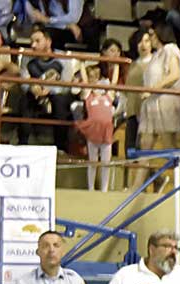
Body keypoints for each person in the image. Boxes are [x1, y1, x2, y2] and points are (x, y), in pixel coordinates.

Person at [137, 26, 180, 155]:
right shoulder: (156, 55)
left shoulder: (170, 49)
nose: (150, 38)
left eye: (152, 35)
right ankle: (142, 175)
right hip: (152, 103)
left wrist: (152, 89)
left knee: (169, 146)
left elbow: (174, 74)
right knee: (145, 146)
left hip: (166, 102)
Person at [17, 24, 72, 152]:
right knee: (25, 101)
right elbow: (23, 80)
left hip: (55, 93)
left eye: (37, 41)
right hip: (35, 92)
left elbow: (67, 83)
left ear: (48, 42)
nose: (33, 45)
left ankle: (60, 147)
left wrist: (50, 89)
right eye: (32, 42)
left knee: (61, 102)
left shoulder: (63, 58)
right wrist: (31, 87)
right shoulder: (27, 58)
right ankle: (22, 144)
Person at [74, 62, 116, 192]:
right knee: (92, 162)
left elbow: (114, 83)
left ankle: (104, 189)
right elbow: (86, 82)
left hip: (106, 133)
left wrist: (117, 65)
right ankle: (90, 188)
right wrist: (81, 64)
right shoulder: (89, 95)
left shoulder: (109, 96)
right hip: (93, 133)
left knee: (105, 163)